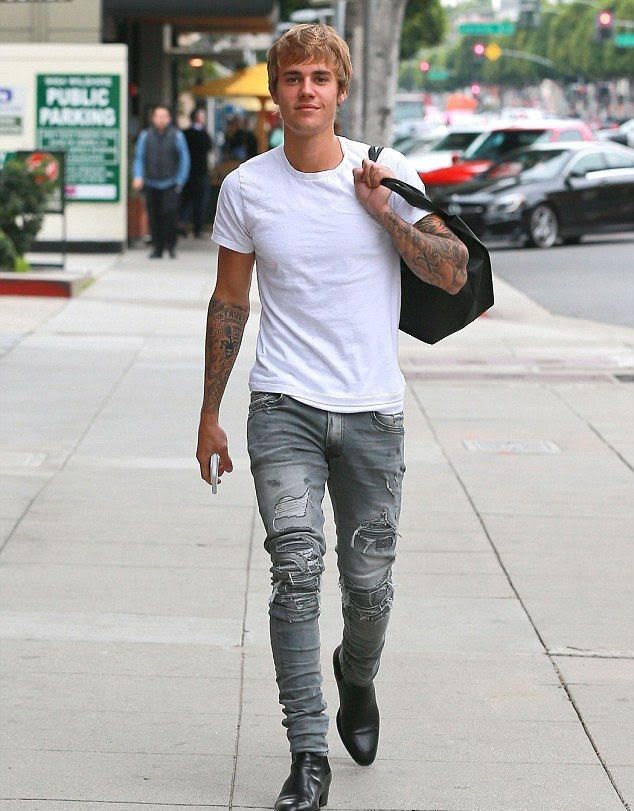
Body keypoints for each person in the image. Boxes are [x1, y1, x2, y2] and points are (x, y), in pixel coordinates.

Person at [196, 24, 468, 811]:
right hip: (282, 405)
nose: (306, 90)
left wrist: (385, 213)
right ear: (275, 91)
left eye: (320, 77)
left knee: (370, 588)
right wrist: (210, 412)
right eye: (293, 78)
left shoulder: (386, 171)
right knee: (295, 570)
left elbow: (453, 273)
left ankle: (357, 673)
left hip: (372, 413)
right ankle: (308, 754)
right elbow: (230, 301)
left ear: (341, 92)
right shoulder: (246, 188)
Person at [132, 104, 190, 259]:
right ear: (153, 118)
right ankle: (157, 248)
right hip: (151, 183)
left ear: (169, 118)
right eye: (158, 116)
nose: (161, 119)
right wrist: (138, 176)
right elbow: (139, 158)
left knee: (170, 215)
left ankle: (171, 246)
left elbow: (184, 159)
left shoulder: (177, 135)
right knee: (154, 216)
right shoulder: (145, 136)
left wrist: (180, 181)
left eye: (164, 116)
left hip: (170, 183)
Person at [182, 107, 213, 238]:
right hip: (200, 171)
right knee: (200, 201)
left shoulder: (185, 133)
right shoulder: (203, 134)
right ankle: (197, 229)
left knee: (188, 200)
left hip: (189, 172)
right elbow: (209, 147)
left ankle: (183, 223)